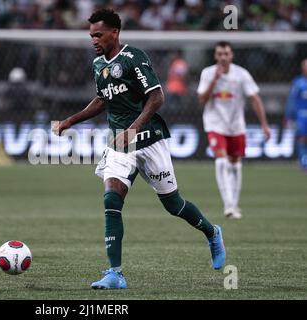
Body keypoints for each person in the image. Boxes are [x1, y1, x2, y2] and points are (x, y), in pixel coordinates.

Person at [52, 8, 226, 290]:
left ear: (114, 33)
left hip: (150, 141)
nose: (93, 39)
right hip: (120, 144)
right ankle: (114, 273)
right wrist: (69, 121)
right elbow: (101, 100)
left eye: (98, 34)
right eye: (91, 35)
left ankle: (212, 232)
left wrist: (133, 129)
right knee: (111, 200)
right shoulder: (98, 65)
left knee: (174, 205)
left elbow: (157, 98)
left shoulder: (134, 58)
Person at [197, 41, 271, 219]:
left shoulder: (241, 74)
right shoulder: (208, 73)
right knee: (221, 161)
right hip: (215, 124)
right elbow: (202, 100)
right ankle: (228, 205)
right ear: (215, 56)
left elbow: (255, 99)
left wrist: (264, 124)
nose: (223, 57)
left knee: (236, 164)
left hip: (236, 125)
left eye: (226, 54)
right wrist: (215, 80)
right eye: (220, 54)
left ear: (231, 56)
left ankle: (235, 204)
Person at [285, 58, 307, 172]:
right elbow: (292, 100)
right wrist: (288, 116)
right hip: (302, 116)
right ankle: (304, 162)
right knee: (302, 139)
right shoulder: (298, 83)